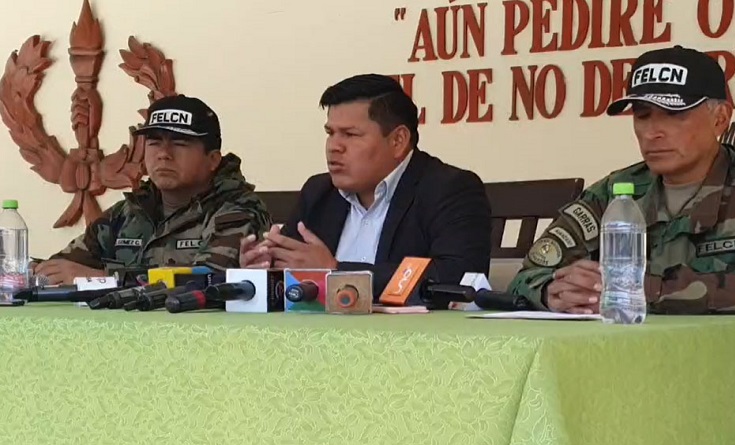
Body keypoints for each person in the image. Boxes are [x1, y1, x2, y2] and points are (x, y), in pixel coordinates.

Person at [509, 45, 735, 315]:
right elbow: (529, 275)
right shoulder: (613, 194)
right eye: (643, 115)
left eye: (673, 114)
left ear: (720, 118)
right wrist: (554, 293)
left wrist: (648, 291)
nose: (652, 132)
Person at [239, 74, 492, 297]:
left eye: (350, 134)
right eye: (330, 133)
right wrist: (263, 271)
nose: (334, 146)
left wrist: (336, 272)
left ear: (398, 141)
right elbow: (295, 272)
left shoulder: (450, 189)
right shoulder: (319, 192)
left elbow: (457, 277)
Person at [34, 95, 271, 285]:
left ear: (213, 160)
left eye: (179, 143)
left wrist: (103, 278)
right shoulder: (131, 210)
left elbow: (210, 281)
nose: (163, 154)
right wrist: (35, 271)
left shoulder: (238, 210)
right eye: (154, 142)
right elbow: (66, 266)